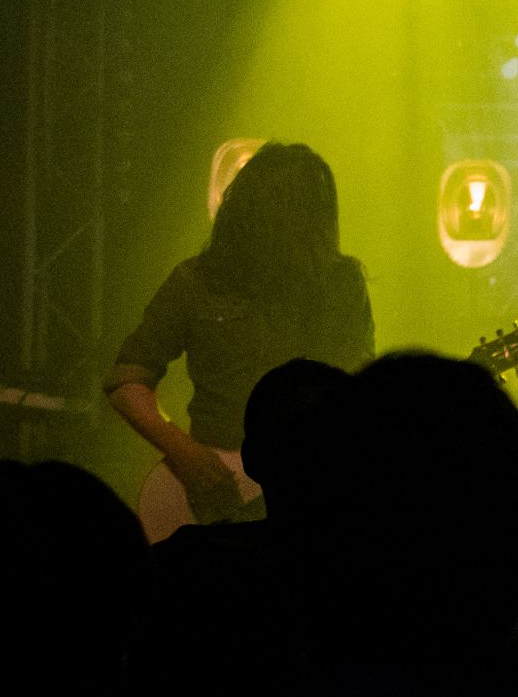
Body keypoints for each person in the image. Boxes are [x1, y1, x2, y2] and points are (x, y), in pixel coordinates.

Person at [104, 141, 374, 530]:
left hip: (308, 488)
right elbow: (127, 382)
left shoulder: (340, 285)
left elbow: (360, 392)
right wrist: (185, 452)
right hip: (209, 490)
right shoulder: (196, 281)